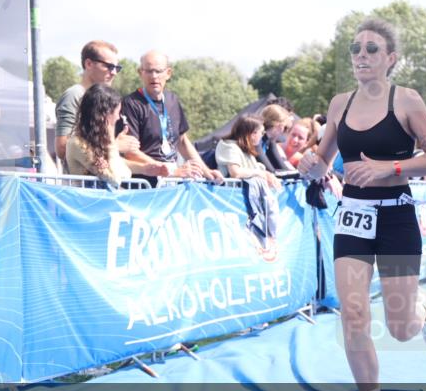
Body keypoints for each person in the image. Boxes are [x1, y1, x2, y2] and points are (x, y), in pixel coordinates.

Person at [297, 18, 426, 391]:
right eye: (356, 49)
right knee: (353, 315)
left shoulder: (407, 101)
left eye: (371, 50)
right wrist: (310, 165)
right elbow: (323, 160)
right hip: (353, 218)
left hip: (397, 216)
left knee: (401, 329)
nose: (361, 57)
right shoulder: (338, 104)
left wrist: (391, 167)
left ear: (390, 59)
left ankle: (424, 306)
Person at [121, 50, 224, 185]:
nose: (154, 76)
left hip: (171, 183)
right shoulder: (131, 103)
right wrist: (169, 170)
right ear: (140, 73)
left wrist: (207, 172)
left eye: (158, 71)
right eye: (149, 71)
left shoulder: (172, 100)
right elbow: (130, 152)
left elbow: (182, 141)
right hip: (144, 186)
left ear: (168, 73)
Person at [55, 40, 138, 163]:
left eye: (117, 67)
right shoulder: (75, 95)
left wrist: (149, 168)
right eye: (109, 66)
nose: (114, 72)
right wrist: (115, 146)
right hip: (83, 181)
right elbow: (62, 149)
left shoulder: (106, 98)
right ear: (88, 64)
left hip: (106, 178)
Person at [64, 84, 154, 188]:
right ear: (104, 115)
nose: (118, 117)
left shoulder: (95, 141)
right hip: (90, 203)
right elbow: (116, 178)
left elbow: (120, 167)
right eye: (117, 112)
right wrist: (112, 143)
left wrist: (145, 169)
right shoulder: (78, 143)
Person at [216, 115, 283, 249]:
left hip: (243, 206)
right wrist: (260, 173)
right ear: (252, 134)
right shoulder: (229, 146)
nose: (262, 135)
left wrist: (267, 175)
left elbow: (256, 170)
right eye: (261, 132)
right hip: (231, 204)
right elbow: (236, 172)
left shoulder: (246, 150)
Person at [259, 103, 296, 172]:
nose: (285, 132)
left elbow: (280, 165)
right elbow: (271, 170)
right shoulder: (257, 139)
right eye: (285, 128)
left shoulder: (269, 140)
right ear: (278, 125)